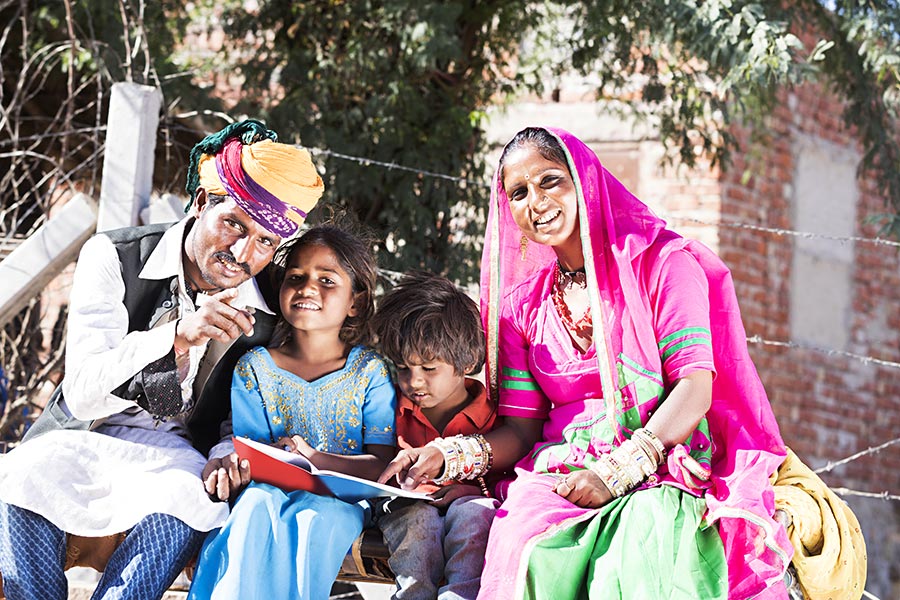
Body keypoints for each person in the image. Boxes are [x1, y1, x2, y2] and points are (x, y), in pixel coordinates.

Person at [380, 126, 795, 599]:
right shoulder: (523, 307)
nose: (535, 202)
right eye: (518, 192)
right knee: (522, 548)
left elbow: (695, 390)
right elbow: (520, 430)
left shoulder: (662, 264)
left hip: (659, 463)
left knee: (643, 544)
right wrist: (448, 455)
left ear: (584, 182)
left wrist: (613, 474)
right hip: (558, 475)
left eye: (550, 181)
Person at [0, 119, 324, 599]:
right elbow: (84, 394)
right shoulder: (112, 256)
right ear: (199, 204)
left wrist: (225, 456)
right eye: (233, 224)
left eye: (264, 242)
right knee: (23, 478)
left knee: (191, 499)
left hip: (173, 460)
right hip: (79, 439)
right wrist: (174, 337)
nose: (241, 252)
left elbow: (241, 421)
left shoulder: (268, 311)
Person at [187, 222, 397, 600]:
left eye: (327, 280)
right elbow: (249, 453)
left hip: (342, 503)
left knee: (319, 520)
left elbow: (382, 463)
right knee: (253, 509)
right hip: (268, 492)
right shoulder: (255, 368)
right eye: (296, 276)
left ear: (356, 302)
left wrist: (316, 458)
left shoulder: (370, 372)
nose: (308, 288)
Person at [371, 271, 498, 600]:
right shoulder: (389, 408)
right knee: (418, 522)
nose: (413, 382)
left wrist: (467, 490)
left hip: (471, 506)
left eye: (429, 369)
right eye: (402, 368)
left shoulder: (491, 415)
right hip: (407, 509)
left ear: (466, 361)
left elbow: (504, 478)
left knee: (475, 514)